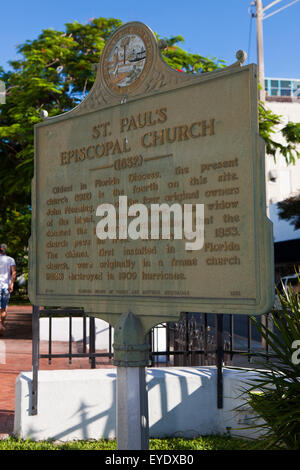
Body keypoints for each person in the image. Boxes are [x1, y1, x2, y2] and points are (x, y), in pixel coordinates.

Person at [0, 244, 16, 335]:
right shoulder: (10, 259)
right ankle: (1, 324)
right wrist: (12, 284)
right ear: (5, 250)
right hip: (6, 286)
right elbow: (13, 273)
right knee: (4, 308)